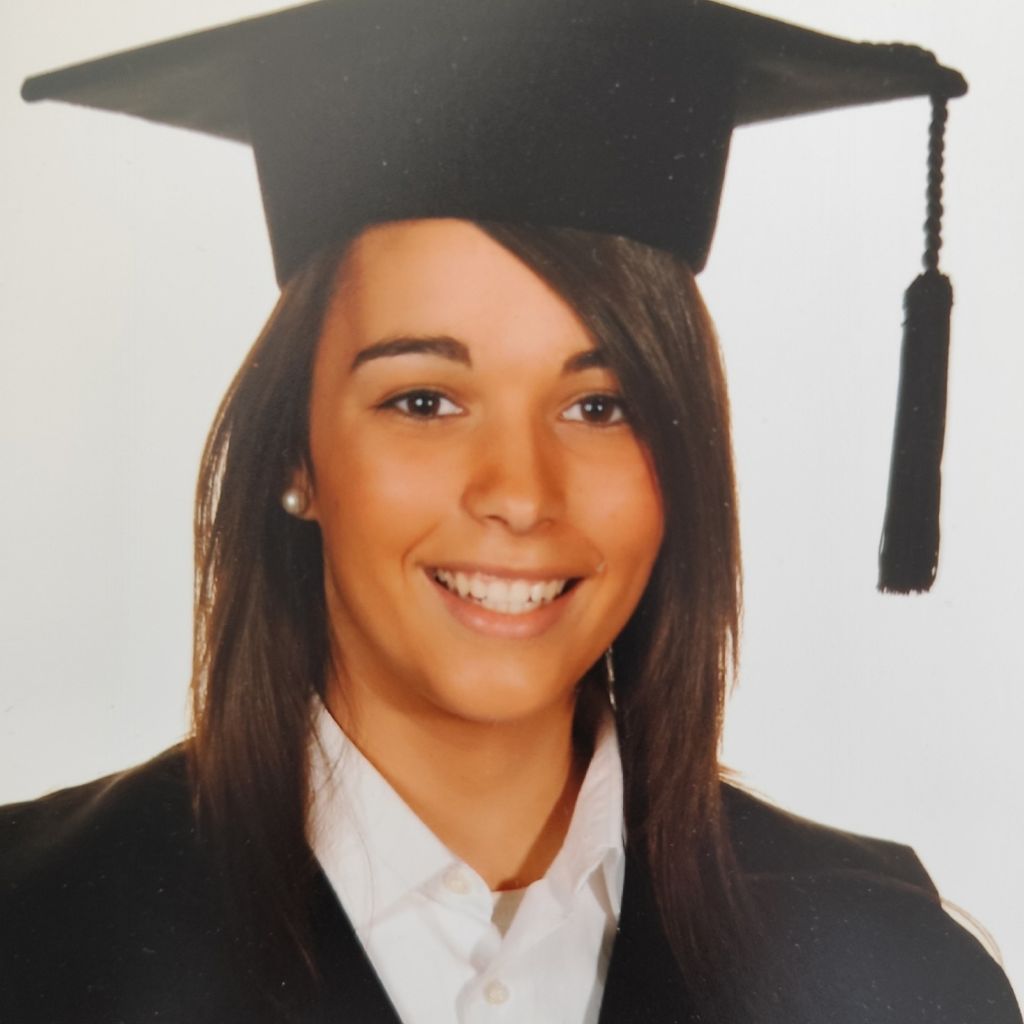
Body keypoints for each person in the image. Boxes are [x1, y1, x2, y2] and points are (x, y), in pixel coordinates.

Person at [2, 2, 1021, 1022]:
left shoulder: (885, 979)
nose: (522, 495)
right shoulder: (37, 938)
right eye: (424, 402)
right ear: (294, 455)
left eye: (599, 406)